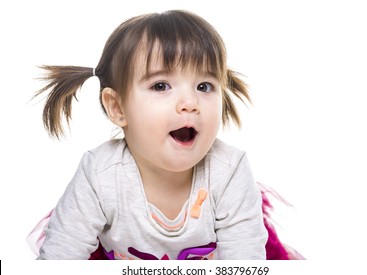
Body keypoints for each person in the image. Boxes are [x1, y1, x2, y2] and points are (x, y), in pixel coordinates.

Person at [31, 10, 269, 260]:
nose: (190, 102)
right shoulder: (101, 175)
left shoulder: (229, 171)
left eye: (204, 86)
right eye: (160, 86)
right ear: (117, 107)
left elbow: (245, 265)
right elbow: (58, 261)